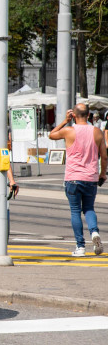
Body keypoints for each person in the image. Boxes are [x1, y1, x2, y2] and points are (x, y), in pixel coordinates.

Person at [46, 103, 107, 255]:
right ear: (89, 115)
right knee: (89, 209)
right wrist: (102, 174)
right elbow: (104, 157)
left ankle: (80, 247)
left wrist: (65, 121)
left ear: (73, 115)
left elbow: (51, 134)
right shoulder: (97, 132)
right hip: (90, 177)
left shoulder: (68, 131)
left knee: (75, 211)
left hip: (73, 178)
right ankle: (94, 232)